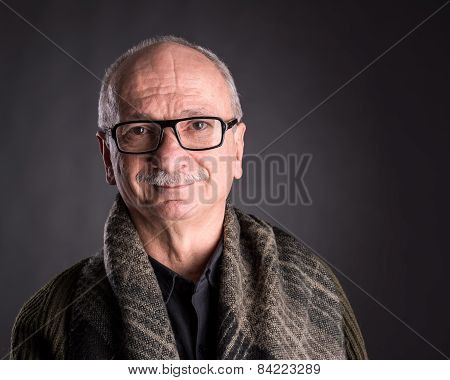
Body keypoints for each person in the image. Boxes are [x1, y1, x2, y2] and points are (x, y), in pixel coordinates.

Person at [10, 36, 367, 359]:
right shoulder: (52, 318)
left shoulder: (314, 290)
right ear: (108, 157)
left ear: (237, 148)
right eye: (139, 130)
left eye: (197, 125)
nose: (169, 156)